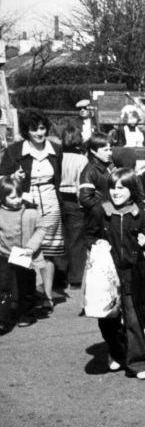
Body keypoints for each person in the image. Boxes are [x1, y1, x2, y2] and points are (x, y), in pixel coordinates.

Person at [84, 167, 145, 380]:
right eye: (113, 187)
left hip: (132, 273)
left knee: (133, 319)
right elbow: (87, 235)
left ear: (132, 190)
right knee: (108, 319)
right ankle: (115, 351)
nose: (116, 192)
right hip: (107, 275)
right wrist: (97, 242)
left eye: (122, 188)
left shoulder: (140, 215)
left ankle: (138, 362)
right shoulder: (100, 211)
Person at [0, 111, 64, 315]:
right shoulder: (14, 150)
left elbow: (58, 177)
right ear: (27, 131)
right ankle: (21, 297)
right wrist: (13, 176)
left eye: (42, 128)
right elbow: (3, 180)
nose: (39, 133)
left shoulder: (56, 149)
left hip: (51, 202)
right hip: (25, 204)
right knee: (25, 249)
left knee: (50, 251)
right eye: (34, 129)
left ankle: (46, 296)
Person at [0, 175, 47, 331]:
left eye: (19, 195)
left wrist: (31, 247)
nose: (17, 200)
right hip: (4, 255)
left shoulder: (30, 211)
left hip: (25, 256)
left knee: (26, 287)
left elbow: (41, 228)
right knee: (4, 287)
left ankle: (27, 314)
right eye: (12, 197)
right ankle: (3, 317)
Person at [58, 127, 89, 289]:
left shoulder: (58, 156)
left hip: (59, 199)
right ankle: (75, 278)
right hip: (74, 201)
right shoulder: (82, 159)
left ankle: (60, 275)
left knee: (61, 237)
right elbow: (80, 184)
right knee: (77, 240)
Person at [78, 133, 115, 212]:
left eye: (110, 149)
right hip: (98, 218)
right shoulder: (90, 171)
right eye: (105, 150)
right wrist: (107, 207)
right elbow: (85, 199)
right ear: (93, 151)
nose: (109, 153)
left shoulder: (110, 165)